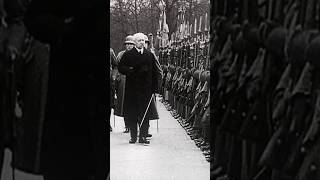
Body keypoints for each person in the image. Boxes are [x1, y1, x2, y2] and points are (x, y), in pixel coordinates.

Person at [24, 0, 109, 179]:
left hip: (98, 87)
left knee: (96, 161)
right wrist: (64, 29)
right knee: (63, 161)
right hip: (67, 82)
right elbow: (34, 17)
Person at [118, 32, 160, 144]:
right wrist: (130, 70)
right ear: (135, 42)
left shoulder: (149, 55)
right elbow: (121, 68)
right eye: (139, 40)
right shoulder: (128, 55)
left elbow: (154, 73)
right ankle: (133, 136)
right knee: (132, 113)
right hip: (132, 89)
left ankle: (143, 136)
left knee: (145, 113)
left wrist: (155, 88)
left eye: (143, 40)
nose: (142, 42)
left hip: (146, 89)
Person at [115, 35, 135, 133]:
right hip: (123, 80)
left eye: (131, 44)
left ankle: (135, 125)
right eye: (127, 44)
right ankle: (127, 125)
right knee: (124, 104)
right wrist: (117, 78)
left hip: (134, 80)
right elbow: (118, 67)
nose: (129, 46)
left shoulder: (136, 55)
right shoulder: (120, 55)